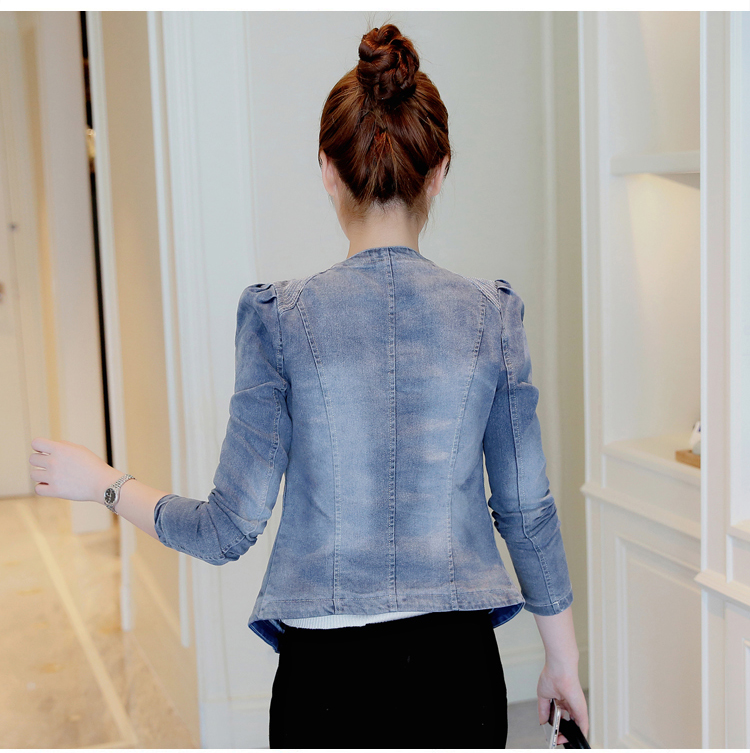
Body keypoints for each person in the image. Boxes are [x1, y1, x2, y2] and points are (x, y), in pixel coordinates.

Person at [28, 23, 588, 749]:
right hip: (458, 676)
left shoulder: (279, 318)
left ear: (327, 169)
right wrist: (562, 661)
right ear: (440, 171)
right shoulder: (492, 316)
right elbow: (526, 509)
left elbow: (227, 528)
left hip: (326, 684)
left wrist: (103, 483)